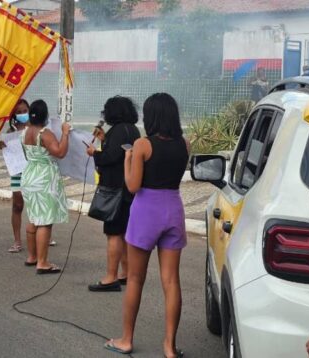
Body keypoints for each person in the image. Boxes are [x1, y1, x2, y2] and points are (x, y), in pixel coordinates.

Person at [105, 93, 189, 358]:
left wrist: (129, 158)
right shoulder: (185, 143)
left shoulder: (142, 145)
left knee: (135, 279)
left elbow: (132, 185)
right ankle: (170, 346)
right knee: (171, 281)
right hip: (173, 209)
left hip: (146, 212)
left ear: (151, 116)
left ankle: (126, 339)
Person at [86, 96, 141, 292]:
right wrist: (104, 139)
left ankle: (111, 277)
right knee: (124, 232)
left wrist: (94, 152)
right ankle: (124, 273)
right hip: (127, 189)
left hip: (115, 190)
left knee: (113, 234)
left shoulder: (118, 130)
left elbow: (110, 157)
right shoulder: (131, 129)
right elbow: (120, 151)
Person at [21, 100, 70, 274]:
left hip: (29, 176)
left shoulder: (25, 132)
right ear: (45, 116)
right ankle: (42, 262)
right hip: (44, 179)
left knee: (33, 217)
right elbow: (60, 153)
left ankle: (32, 256)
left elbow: (27, 155)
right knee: (45, 221)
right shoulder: (45, 133)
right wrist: (65, 134)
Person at [0, 99, 30, 253]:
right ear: (13, 115)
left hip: (34, 172)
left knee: (37, 204)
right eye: (19, 112)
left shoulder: (35, 128)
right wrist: (2, 145)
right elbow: (5, 148)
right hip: (17, 171)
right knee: (17, 205)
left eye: (25, 111)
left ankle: (43, 235)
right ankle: (17, 241)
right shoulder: (10, 133)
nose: (23, 114)